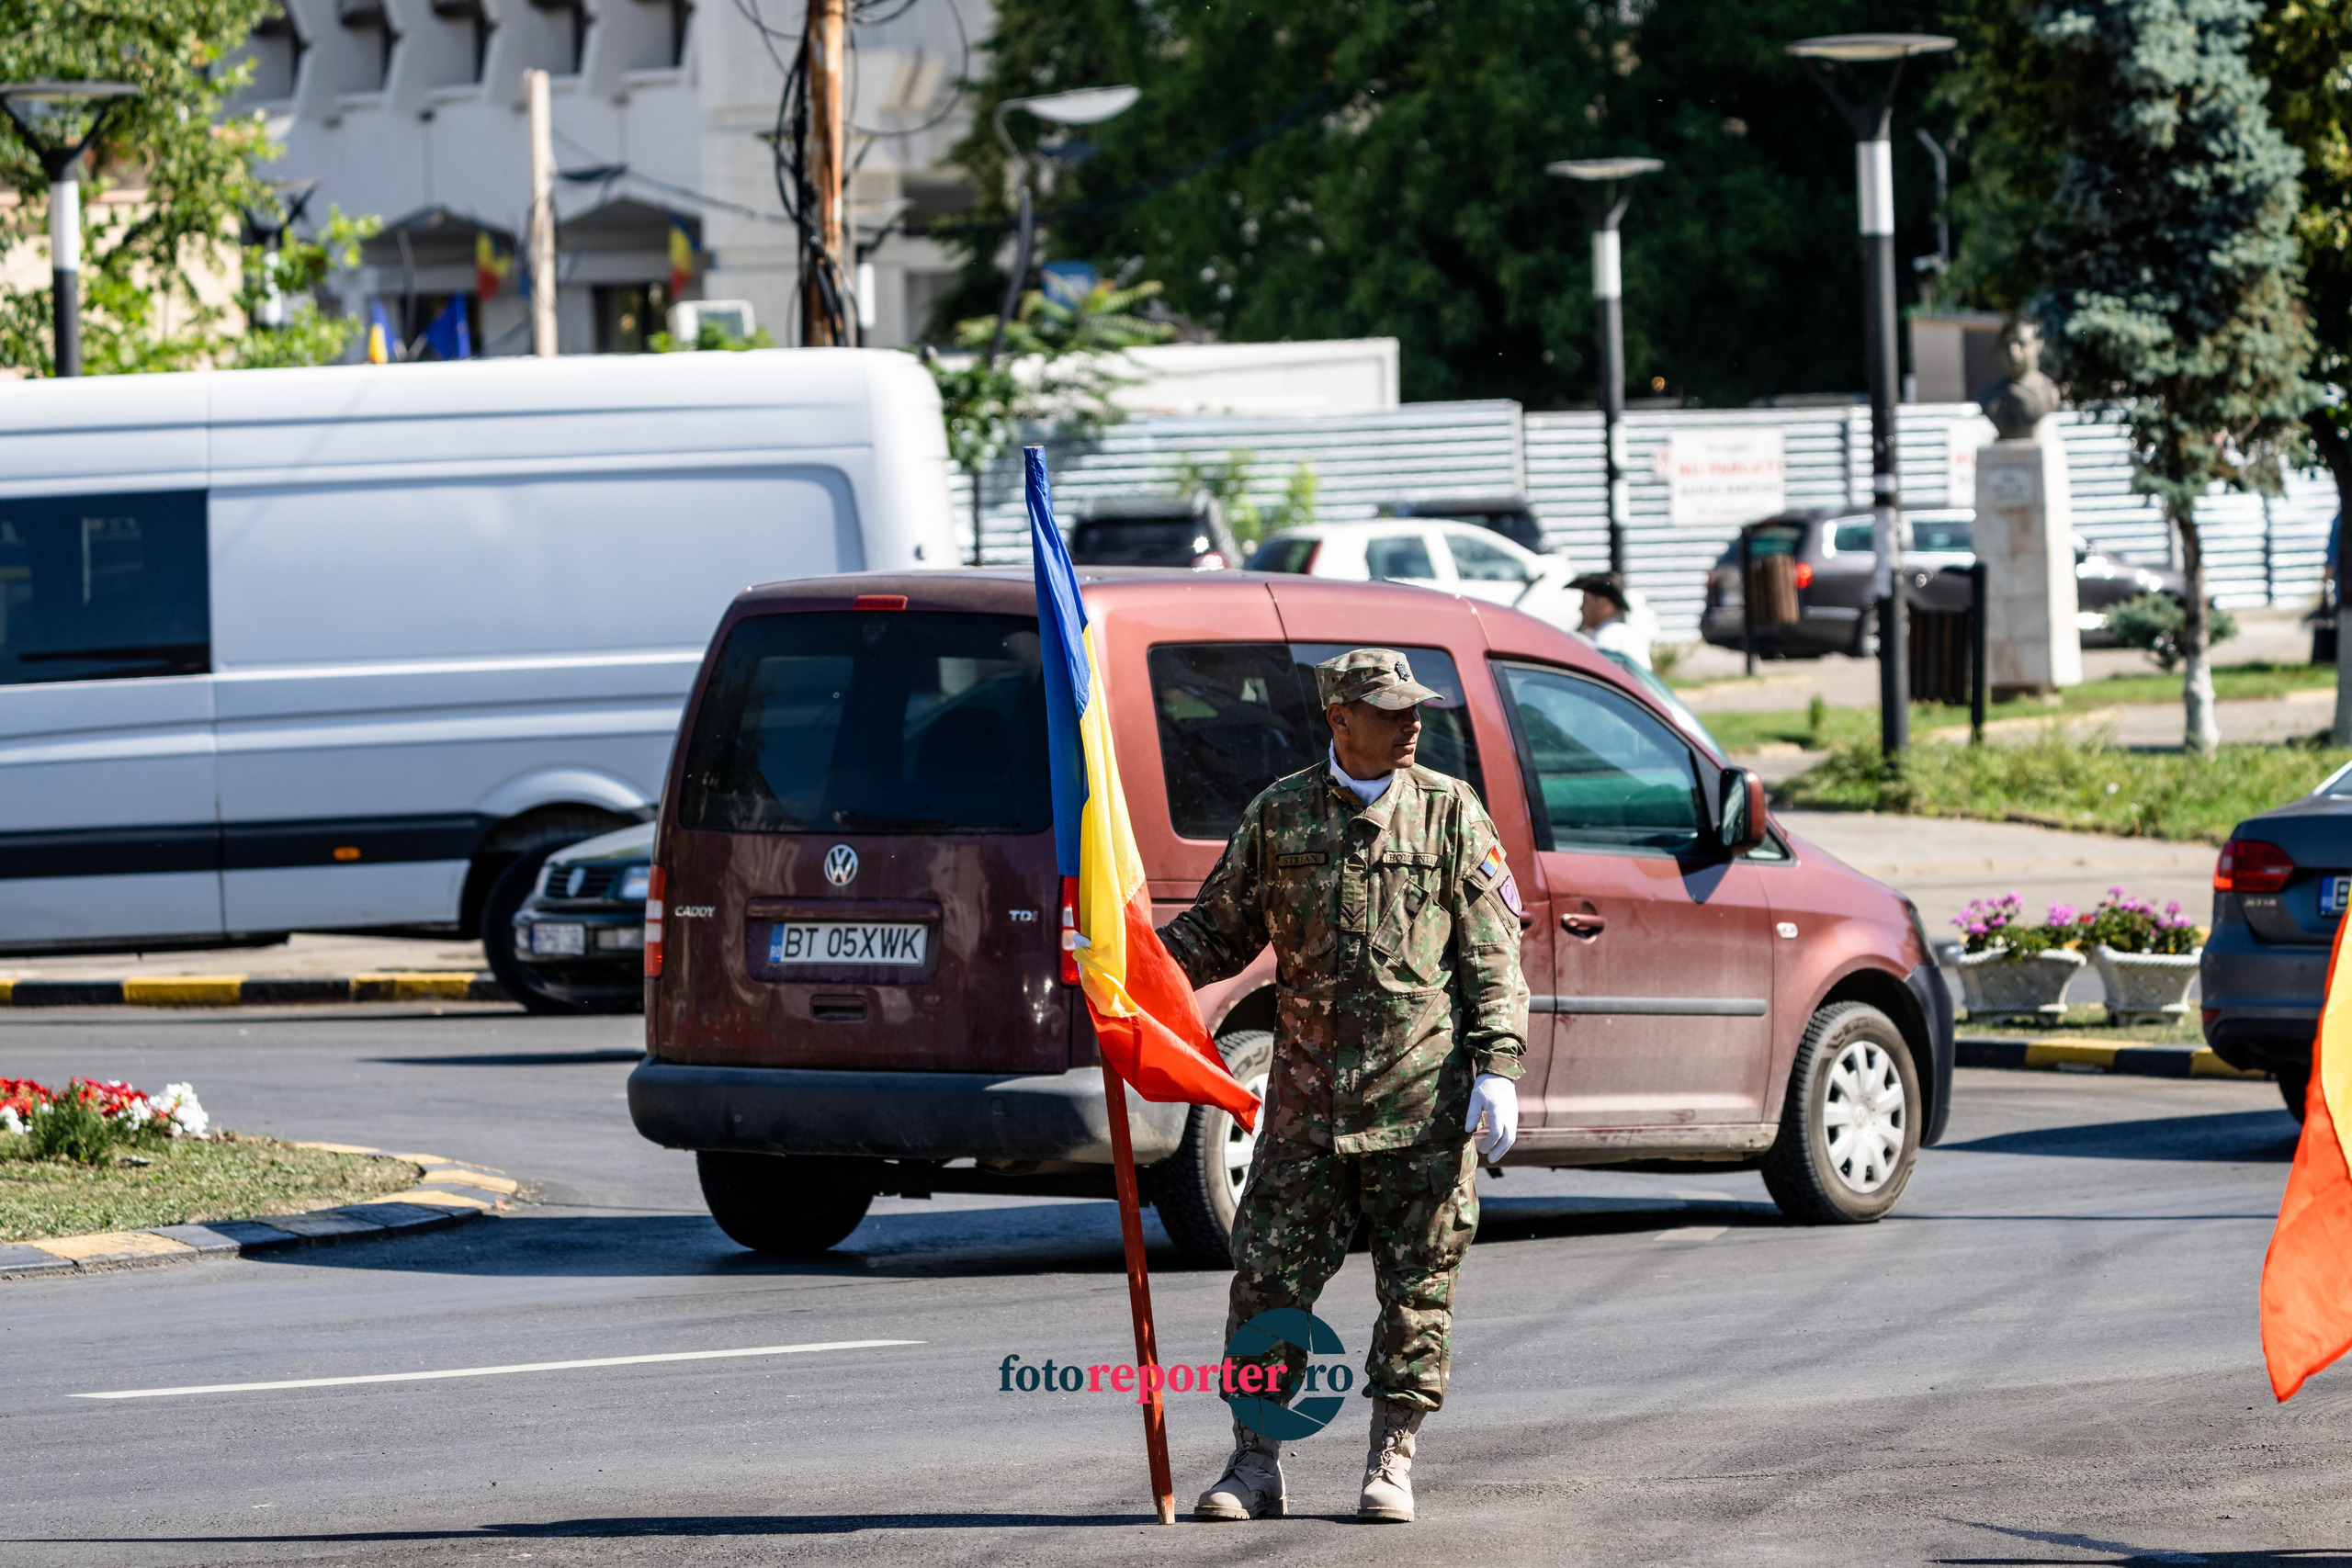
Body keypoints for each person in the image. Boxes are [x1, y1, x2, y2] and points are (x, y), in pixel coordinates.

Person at [1159, 648, 1529, 1525]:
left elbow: (1492, 955)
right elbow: (1213, 934)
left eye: (1415, 709)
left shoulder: (1448, 813)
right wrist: (1125, 962)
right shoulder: (1279, 816)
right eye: (1391, 709)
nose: (1411, 723)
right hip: (1304, 1110)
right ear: (1339, 720)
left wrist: (1499, 1067)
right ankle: (1256, 1461)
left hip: (1421, 1105)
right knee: (1268, 1284)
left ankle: (1392, 1455)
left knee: (1418, 1290)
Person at [1568, 570, 1652, 670]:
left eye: (1585, 601)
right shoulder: (1623, 634)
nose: (1580, 608)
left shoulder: (1607, 639)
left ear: (1603, 604)